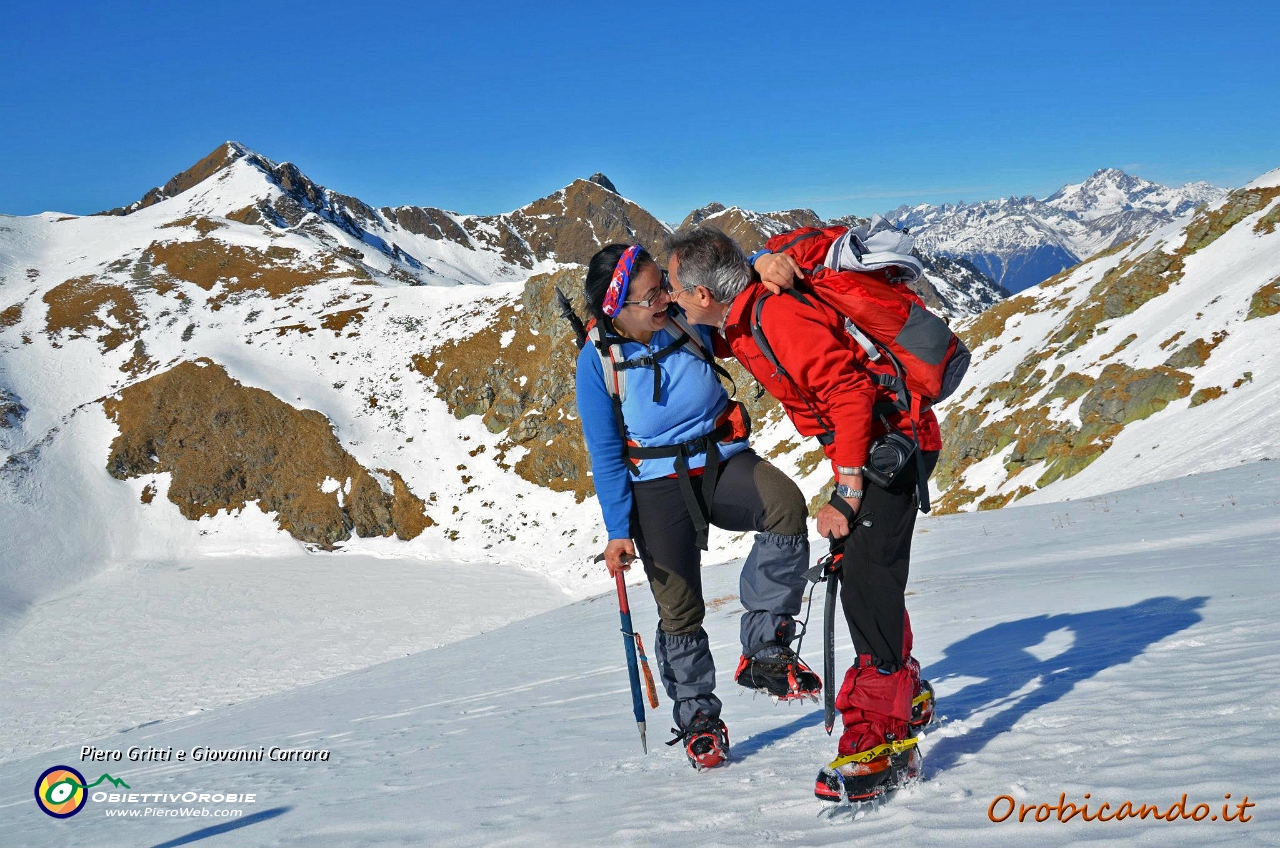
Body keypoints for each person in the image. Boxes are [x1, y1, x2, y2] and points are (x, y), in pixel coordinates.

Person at [664, 226, 943, 800]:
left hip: (892, 443)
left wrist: (846, 490)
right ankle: (905, 691)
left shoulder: (775, 319)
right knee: (871, 576)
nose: (670, 298)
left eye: (675, 290)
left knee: (867, 584)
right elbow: (711, 335)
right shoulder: (742, 318)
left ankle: (878, 740)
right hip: (874, 444)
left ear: (703, 295)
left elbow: (849, 393)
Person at [573, 243, 820, 770]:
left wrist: (761, 258)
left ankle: (764, 649)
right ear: (618, 307)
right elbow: (606, 453)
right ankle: (698, 720)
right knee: (679, 609)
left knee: (784, 506)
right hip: (656, 486)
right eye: (651, 296)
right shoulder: (598, 361)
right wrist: (619, 530)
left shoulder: (688, 318)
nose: (664, 298)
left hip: (719, 459)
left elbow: (723, 276)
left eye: (664, 284)